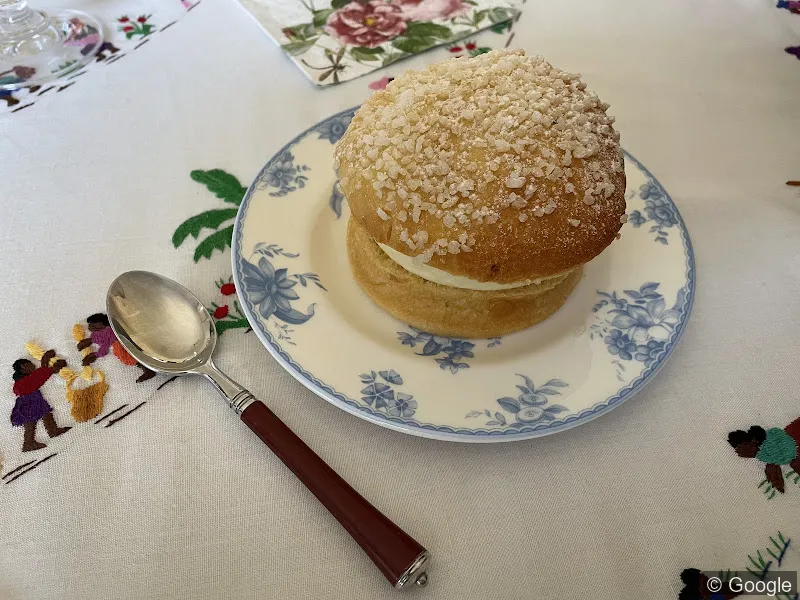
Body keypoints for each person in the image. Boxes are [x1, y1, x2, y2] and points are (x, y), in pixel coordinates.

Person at [11, 350, 71, 452]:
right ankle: (28, 443)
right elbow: (38, 378)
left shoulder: (26, 378)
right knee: (30, 421)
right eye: (30, 365)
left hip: (35, 399)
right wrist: (52, 369)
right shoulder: (22, 381)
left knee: (46, 413)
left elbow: (38, 375)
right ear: (23, 367)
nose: (33, 366)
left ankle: (53, 430)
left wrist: (46, 361)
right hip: (29, 403)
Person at [728, 417, 800, 493]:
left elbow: (774, 464)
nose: (739, 454)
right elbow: (773, 465)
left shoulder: (768, 443)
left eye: (740, 450)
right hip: (793, 446)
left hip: (795, 440)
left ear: (751, 442)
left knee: (795, 463)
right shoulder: (762, 453)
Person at [76, 313, 154, 382]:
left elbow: (104, 346)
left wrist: (94, 354)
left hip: (129, 342)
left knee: (126, 354)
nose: (90, 326)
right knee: (125, 353)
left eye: (93, 323)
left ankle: (147, 369)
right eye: (90, 324)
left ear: (101, 323)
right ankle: (146, 368)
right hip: (127, 342)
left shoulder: (109, 330)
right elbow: (102, 343)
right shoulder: (102, 332)